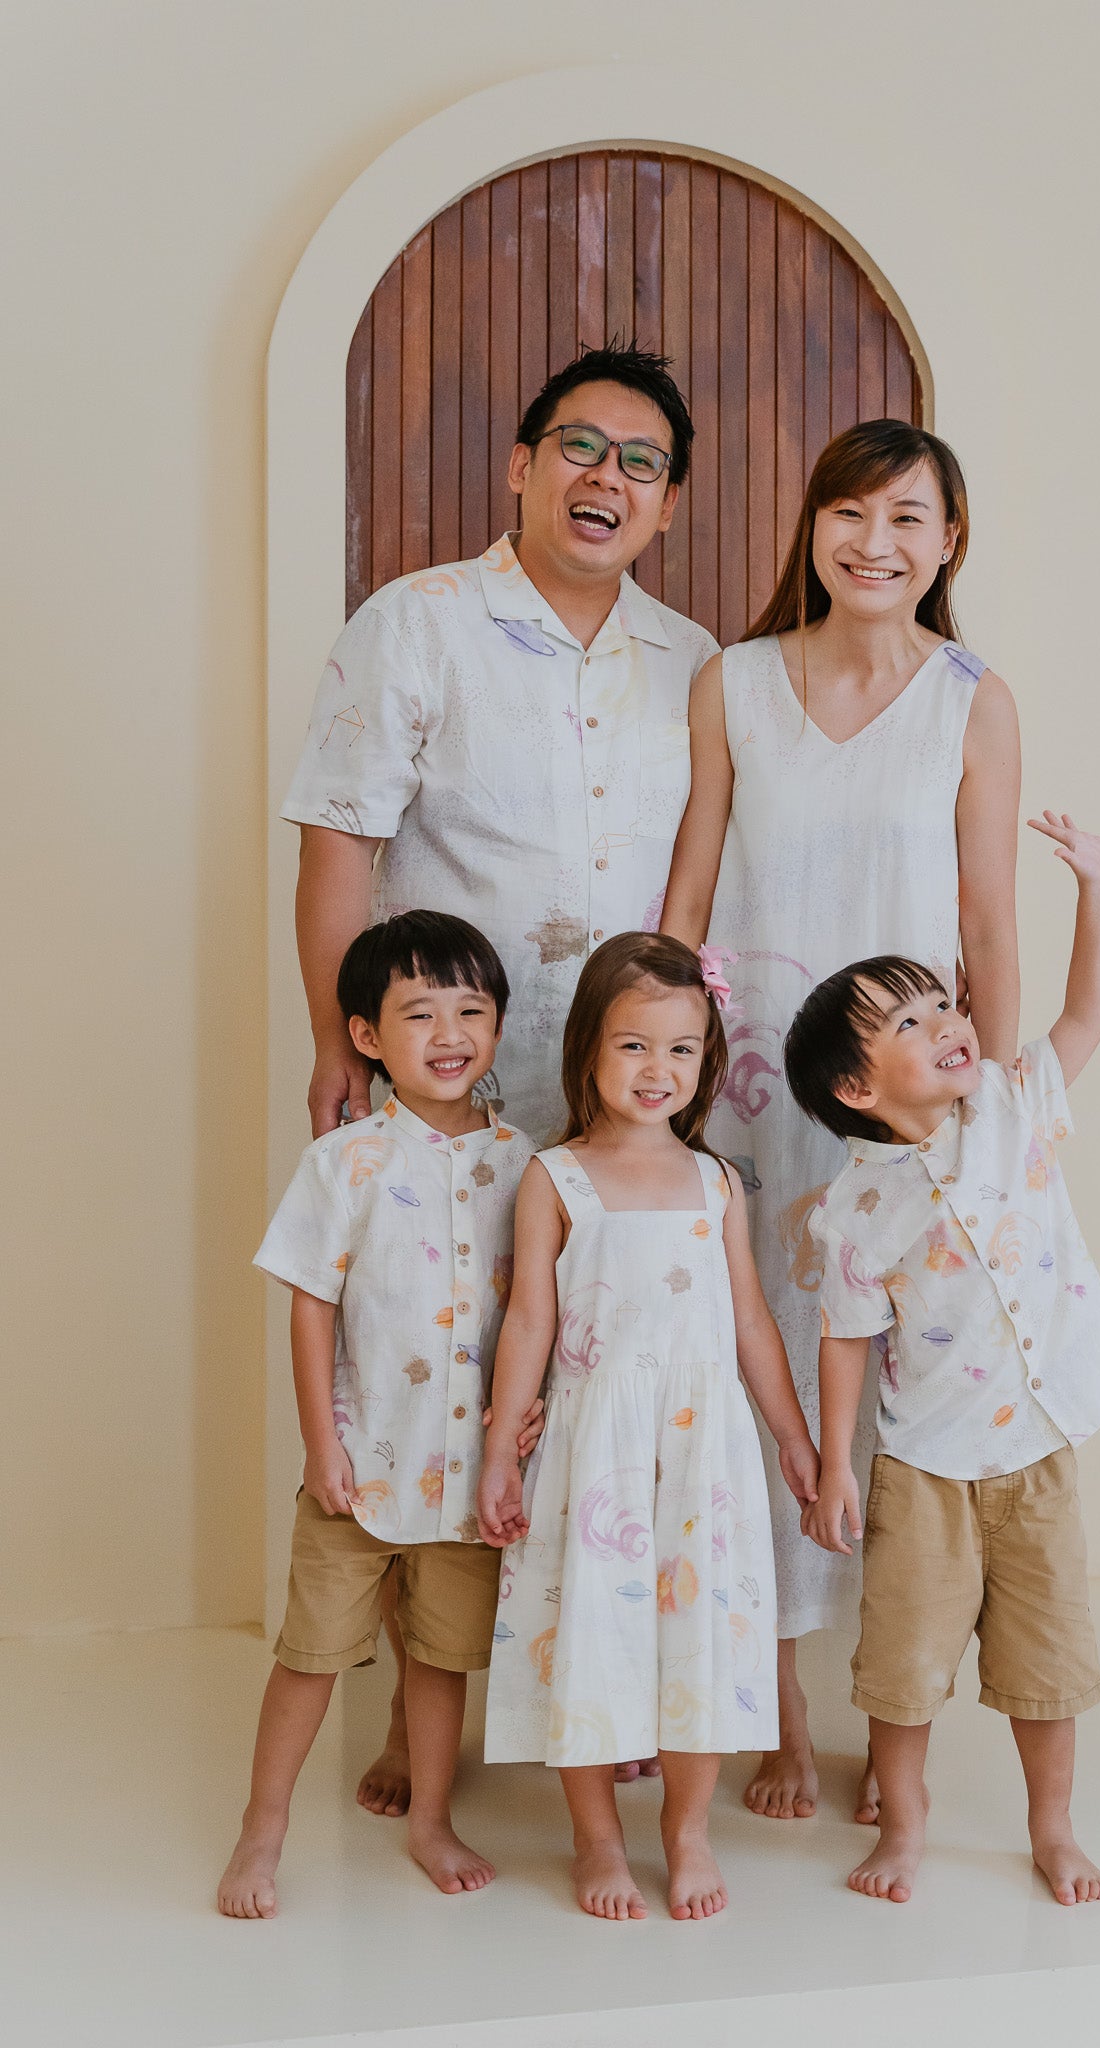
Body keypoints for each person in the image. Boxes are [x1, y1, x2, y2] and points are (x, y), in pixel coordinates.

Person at [282, 343, 717, 1811]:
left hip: (615, 1102)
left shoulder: (693, 662)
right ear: (522, 466)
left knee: (597, 1383)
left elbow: (696, 875)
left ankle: (604, 1689)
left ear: (668, 503)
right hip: (448, 1088)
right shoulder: (416, 623)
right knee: (435, 1373)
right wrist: (330, 1039)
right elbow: (339, 837)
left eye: (643, 463)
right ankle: (425, 1730)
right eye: (581, 447)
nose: (608, 478)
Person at [661, 420, 1020, 1822]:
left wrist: (988, 1113)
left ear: (948, 542)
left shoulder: (973, 700)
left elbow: (986, 920)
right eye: (850, 512)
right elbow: (690, 891)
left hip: (908, 1115)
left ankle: (894, 1715)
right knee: (763, 1379)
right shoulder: (735, 682)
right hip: (754, 1099)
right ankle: (781, 1714)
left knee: (900, 1396)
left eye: (907, 517)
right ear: (811, 525)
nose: (875, 542)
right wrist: (668, 1085)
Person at [790, 810, 1100, 1907]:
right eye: (910, 1019)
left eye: (943, 1002)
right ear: (857, 1088)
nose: (947, 1020)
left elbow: (1090, 1010)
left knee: (1046, 1662)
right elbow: (846, 1338)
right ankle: (905, 1823)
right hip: (926, 1465)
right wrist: (834, 1466)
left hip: (1036, 1444)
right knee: (903, 1667)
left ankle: (1052, 1828)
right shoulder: (853, 1209)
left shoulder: (1014, 1106)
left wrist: (1096, 886)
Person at [476, 934, 819, 1921]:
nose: (655, 1068)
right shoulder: (556, 1177)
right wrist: (500, 1450)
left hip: (702, 1451)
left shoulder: (715, 1182)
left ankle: (687, 1828)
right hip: (597, 1451)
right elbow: (528, 1321)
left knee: (697, 1632)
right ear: (587, 1047)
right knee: (590, 1631)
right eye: (632, 1045)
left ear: (706, 1058)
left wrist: (792, 1436)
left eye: (679, 1048)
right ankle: (595, 1837)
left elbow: (749, 1320)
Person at [217, 912, 543, 1917]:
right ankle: (262, 1827)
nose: (450, 1033)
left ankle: (431, 1819)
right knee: (310, 1656)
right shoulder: (345, 1161)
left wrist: (521, 1423)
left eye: (470, 1010)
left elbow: (540, 1308)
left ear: (497, 1025)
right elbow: (310, 1305)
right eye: (419, 1013)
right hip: (360, 1466)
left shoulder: (525, 1161)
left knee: (441, 1661)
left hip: (469, 1477)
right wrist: (322, 1444)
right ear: (367, 1035)